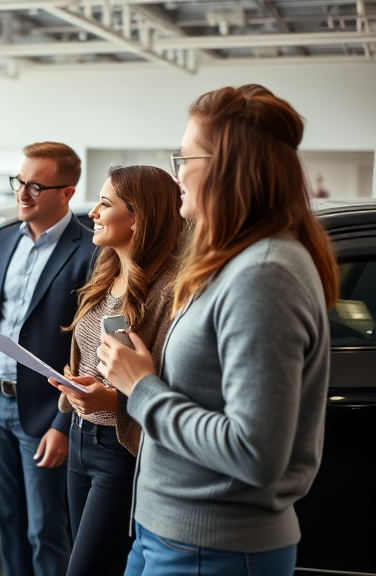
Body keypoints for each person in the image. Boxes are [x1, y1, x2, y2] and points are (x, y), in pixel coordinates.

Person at [98, 84, 339, 576]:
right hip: (168, 532)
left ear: (226, 167)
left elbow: (254, 453)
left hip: (213, 547)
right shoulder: (232, 263)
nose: (176, 173)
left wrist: (141, 388)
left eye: (184, 157)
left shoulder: (264, 273)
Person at [49, 165, 184, 576]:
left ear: (138, 217)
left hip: (120, 449)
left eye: (105, 204)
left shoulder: (169, 290)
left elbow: (170, 385)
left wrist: (110, 398)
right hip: (81, 436)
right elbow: (91, 352)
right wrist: (74, 386)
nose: (91, 212)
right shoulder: (106, 270)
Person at [0, 142, 96, 576]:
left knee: (45, 528)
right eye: (20, 182)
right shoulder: (7, 239)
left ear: (67, 193)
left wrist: (64, 424)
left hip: (47, 411)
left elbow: (91, 348)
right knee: (4, 518)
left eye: (37, 186)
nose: (23, 194)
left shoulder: (90, 252)